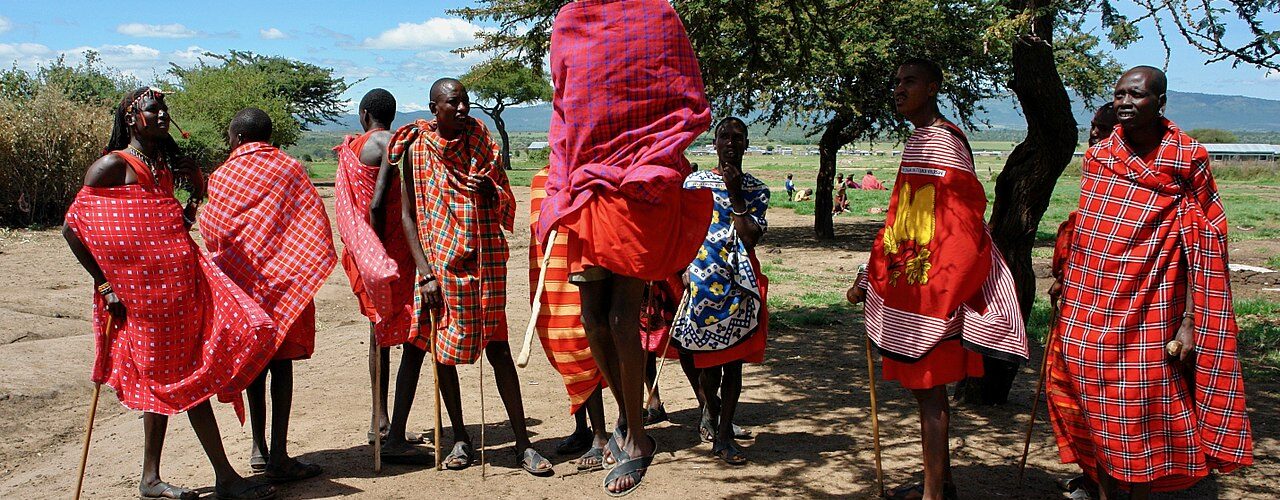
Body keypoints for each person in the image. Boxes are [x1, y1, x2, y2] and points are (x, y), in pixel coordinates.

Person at [1045, 66, 1253, 500]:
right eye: (1119, 93)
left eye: (1136, 95)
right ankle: (1102, 488)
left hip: (1155, 309)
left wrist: (1193, 321)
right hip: (1091, 311)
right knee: (1092, 404)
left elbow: (1207, 244)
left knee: (1142, 410)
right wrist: (1067, 285)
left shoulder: (1187, 158)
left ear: (1160, 102)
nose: (1124, 102)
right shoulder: (1100, 157)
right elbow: (1091, 236)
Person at [63, 87, 279, 500]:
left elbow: (168, 224)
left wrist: (194, 184)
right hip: (142, 297)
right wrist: (106, 284)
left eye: (164, 109)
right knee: (182, 378)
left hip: (178, 290)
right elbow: (75, 228)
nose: (162, 115)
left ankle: (152, 478)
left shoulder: (162, 166)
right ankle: (223, 477)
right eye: (152, 109)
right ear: (131, 118)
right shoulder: (111, 166)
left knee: (171, 378)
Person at [540, 0, 713, 493]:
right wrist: (560, 178)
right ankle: (624, 412)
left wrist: (656, 152)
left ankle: (637, 438)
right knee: (591, 314)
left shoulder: (656, 14)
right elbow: (564, 102)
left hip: (639, 180)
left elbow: (680, 93)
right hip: (585, 182)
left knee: (622, 313)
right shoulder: (571, 19)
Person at [847, 59, 1028, 500]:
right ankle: (941, 482)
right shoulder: (918, 141)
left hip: (935, 290)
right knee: (923, 393)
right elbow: (901, 218)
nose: (898, 89)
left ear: (932, 88)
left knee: (931, 395)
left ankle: (933, 495)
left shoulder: (945, 142)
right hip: (913, 284)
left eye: (909, 82)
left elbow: (963, 224)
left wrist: (945, 292)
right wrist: (873, 273)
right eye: (895, 82)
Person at [391, 78, 552, 475]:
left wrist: (488, 192)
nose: (463, 109)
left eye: (465, 102)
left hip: (486, 261)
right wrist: (425, 274)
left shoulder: (482, 144)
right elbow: (408, 217)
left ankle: (523, 444)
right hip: (440, 267)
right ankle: (461, 437)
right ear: (434, 108)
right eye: (453, 103)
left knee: (499, 351)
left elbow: (504, 198)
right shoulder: (414, 151)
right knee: (444, 353)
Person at [198, 107, 336, 483]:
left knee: (255, 365)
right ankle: (278, 453)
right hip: (286, 284)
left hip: (243, 288)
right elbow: (312, 221)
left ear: (238, 138)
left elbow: (211, 227)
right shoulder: (290, 168)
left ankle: (258, 448)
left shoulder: (223, 175)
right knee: (281, 367)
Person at [334, 89, 431, 456]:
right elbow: (378, 203)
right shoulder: (394, 144)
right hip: (395, 248)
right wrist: (379, 247)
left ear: (363, 115)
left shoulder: (355, 148)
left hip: (365, 248)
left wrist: (367, 248)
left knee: (379, 329)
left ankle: (380, 419)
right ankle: (394, 434)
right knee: (409, 330)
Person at [671, 116, 770, 466]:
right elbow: (679, 229)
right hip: (698, 282)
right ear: (715, 143)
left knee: (734, 364)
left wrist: (735, 194)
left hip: (739, 285)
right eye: (724, 136)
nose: (731, 142)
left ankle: (724, 434)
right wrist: (679, 269)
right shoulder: (694, 183)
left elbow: (750, 236)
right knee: (706, 364)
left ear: (746, 144)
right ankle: (710, 413)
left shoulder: (757, 190)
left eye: (738, 137)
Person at [1044, 102, 1116, 498]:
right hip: (1077, 308)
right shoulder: (1095, 172)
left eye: (1102, 128)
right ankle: (1092, 475)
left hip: (1121, 317)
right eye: (1093, 127)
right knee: (1067, 391)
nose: (1094, 134)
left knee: (1108, 403)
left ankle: (1109, 482)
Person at [529, 165, 616, 471]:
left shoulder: (587, 177)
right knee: (560, 346)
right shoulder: (542, 178)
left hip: (580, 272)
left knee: (579, 344)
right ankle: (583, 428)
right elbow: (537, 233)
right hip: (548, 276)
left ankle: (601, 436)